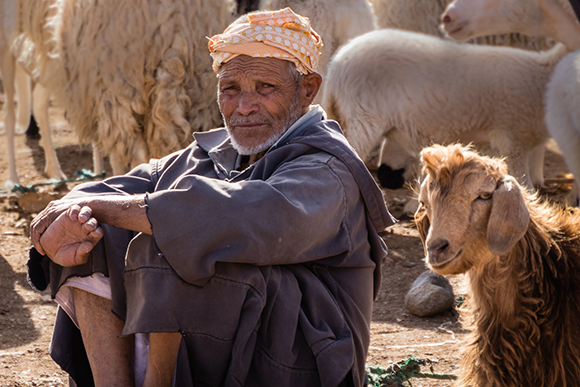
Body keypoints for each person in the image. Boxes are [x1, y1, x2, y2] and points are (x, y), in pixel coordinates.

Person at [28, 8, 395, 387]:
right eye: (231, 89)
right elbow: (118, 189)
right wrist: (69, 212)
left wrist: (102, 208)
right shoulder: (214, 152)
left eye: (266, 88)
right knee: (94, 233)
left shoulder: (327, 169)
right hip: (236, 345)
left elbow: (242, 215)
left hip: (300, 360)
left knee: (174, 242)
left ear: (307, 90)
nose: (245, 105)